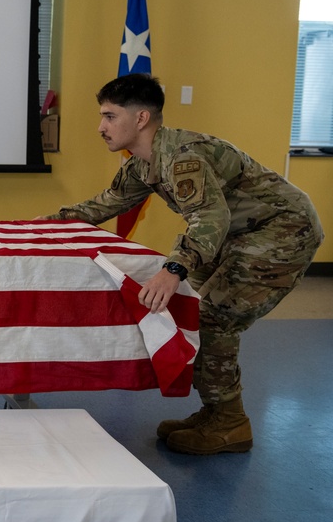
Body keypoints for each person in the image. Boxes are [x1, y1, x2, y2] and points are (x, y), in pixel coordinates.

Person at [40, 73, 323, 455]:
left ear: (140, 119)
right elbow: (106, 204)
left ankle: (229, 422)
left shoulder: (181, 157)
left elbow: (210, 217)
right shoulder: (143, 162)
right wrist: (48, 223)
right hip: (234, 235)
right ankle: (214, 413)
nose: (101, 128)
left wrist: (173, 270)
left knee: (215, 317)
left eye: (109, 117)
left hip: (282, 231)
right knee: (191, 309)